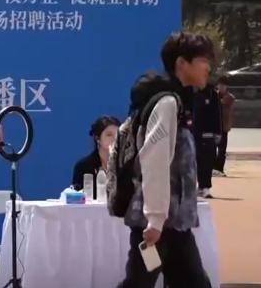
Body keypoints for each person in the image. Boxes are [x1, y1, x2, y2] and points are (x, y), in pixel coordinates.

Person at [115, 31, 213, 288]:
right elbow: (154, 161)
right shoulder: (167, 104)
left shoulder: (178, 101)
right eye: (203, 60)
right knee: (139, 283)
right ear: (182, 63)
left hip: (175, 223)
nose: (208, 67)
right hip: (159, 224)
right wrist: (155, 219)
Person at [71, 115, 120, 191]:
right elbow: (77, 196)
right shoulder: (83, 167)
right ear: (98, 138)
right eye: (109, 135)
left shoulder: (126, 164)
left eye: (118, 135)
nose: (114, 139)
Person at [193, 82, 222, 197]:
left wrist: (218, 132)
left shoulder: (212, 94)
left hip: (209, 133)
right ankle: (200, 186)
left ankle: (206, 187)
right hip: (195, 134)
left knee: (208, 161)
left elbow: (217, 114)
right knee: (197, 161)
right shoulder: (193, 94)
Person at [214, 75, 236, 177]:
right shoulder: (215, 95)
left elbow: (221, 103)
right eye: (219, 85)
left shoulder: (229, 97)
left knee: (222, 150)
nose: (221, 87)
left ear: (226, 86)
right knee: (212, 149)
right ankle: (213, 168)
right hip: (215, 126)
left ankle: (219, 168)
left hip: (223, 127)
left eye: (223, 85)